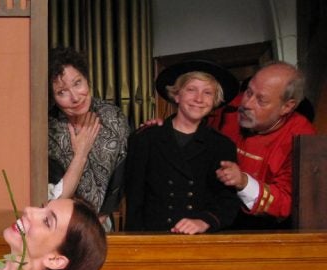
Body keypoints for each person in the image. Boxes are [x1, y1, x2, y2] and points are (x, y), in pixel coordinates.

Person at [125, 60, 240, 234]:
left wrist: (204, 221)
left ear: (215, 101)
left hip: (200, 241)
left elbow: (227, 201)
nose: (199, 99)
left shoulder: (222, 146)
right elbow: (134, 200)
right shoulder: (145, 139)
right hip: (152, 239)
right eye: (191, 89)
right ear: (177, 95)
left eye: (208, 92)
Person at [214, 61, 316, 230]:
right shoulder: (230, 106)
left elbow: (286, 203)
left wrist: (244, 182)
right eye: (248, 92)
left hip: (261, 228)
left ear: (287, 107)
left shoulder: (302, 139)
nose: (247, 104)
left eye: (261, 100)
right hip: (214, 214)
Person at [47, 47, 129, 231]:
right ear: (52, 97)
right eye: (62, 92)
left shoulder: (113, 118)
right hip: (63, 225)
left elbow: (121, 177)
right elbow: (57, 197)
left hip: (104, 223)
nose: (75, 97)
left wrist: (100, 218)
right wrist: (81, 153)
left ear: (87, 79)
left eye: (78, 83)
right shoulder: (49, 131)